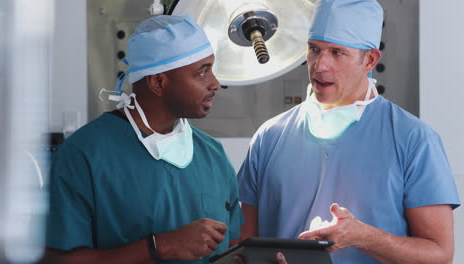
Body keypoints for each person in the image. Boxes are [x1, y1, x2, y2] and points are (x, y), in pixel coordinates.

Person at [237, 0, 461, 263]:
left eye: (336, 52)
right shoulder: (269, 137)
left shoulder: (413, 139)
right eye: (314, 49)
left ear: (369, 60)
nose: (320, 66)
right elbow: (244, 244)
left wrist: (363, 237)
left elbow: (439, 255)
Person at [43, 15, 243, 264]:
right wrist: (161, 246)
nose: (215, 83)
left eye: (212, 69)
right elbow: (56, 260)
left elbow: (234, 248)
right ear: (158, 82)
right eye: (201, 73)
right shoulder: (84, 155)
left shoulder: (213, 155)